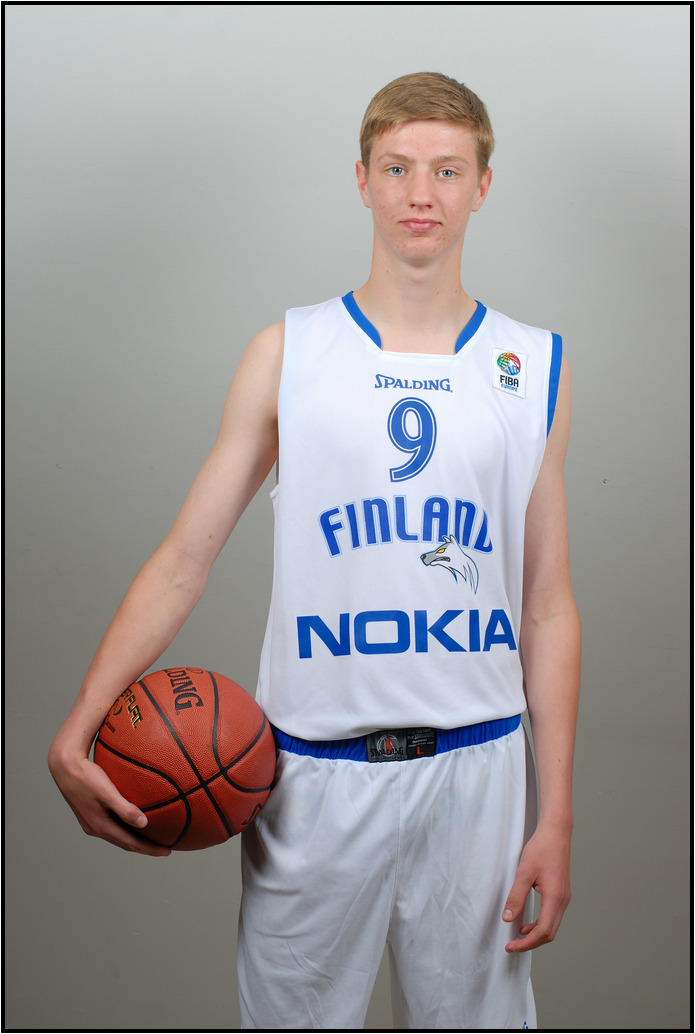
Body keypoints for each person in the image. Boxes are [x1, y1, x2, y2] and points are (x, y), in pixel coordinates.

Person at [49, 72, 581, 1030]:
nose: (421, 193)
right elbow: (183, 561)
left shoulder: (531, 364)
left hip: (479, 772)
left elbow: (545, 604)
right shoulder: (288, 353)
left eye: (447, 170)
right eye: (397, 168)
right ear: (362, 179)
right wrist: (78, 725)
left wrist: (556, 814)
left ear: (482, 186)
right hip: (310, 778)